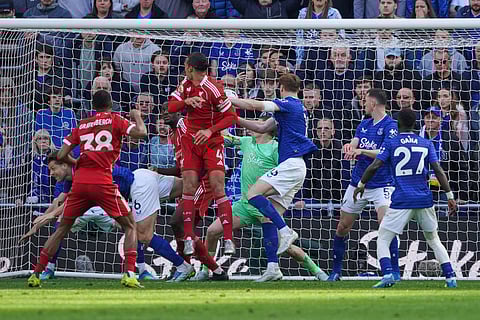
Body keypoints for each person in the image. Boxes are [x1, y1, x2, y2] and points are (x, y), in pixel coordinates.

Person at [27, 90, 147, 288]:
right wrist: (137, 116)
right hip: (103, 182)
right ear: (110, 104)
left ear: (93, 106)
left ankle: (36, 274)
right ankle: (130, 274)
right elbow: (141, 133)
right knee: (130, 225)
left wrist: (77, 163)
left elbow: (61, 153)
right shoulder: (116, 120)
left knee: (61, 229)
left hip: (81, 183)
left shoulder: (82, 125)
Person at [22, 155, 195, 282]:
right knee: (189, 186)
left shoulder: (82, 174)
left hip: (138, 186)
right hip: (142, 179)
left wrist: (51, 215)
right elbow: (61, 200)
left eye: (53, 169)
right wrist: (45, 218)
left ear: (65, 165)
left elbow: (69, 203)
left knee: (143, 235)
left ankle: (182, 267)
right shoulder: (72, 177)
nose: (51, 173)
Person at [206, 119, 329, 282]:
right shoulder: (246, 142)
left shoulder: (277, 149)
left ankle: (317, 271)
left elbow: (288, 176)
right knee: (212, 231)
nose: (252, 127)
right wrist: (218, 119)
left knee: (287, 248)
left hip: (265, 206)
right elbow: (225, 138)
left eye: (257, 124)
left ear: (267, 129)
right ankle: (206, 269)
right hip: (244, 205)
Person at [353, 108, 457, 288]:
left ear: (398, 124)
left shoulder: (392, 143)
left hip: (402, 199)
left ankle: (387, 275)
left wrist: (361, 185)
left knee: (383, 238)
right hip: (424, 199)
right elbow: (438, 170)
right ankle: (450, 278)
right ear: (415, 124)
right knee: (434, 239)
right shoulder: (426, 143)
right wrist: (450, 196)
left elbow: (375, 165)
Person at [230, 73, 318, 256]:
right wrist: (233, 119)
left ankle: (286, 231)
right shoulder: (296, 109)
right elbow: (261, 128)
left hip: (292, 164)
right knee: (268, 217)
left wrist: (231, 99)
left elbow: (255, 105)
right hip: (297, 166)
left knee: (253, 193)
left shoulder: (287, 104)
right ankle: (272, 268)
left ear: (281, 88)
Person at [168, 52, 237, 256]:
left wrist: (209, 131)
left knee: (218, 186)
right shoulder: (185, 85)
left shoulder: (214, 87)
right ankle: (189, 238)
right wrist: (187, 101)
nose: (184, 69)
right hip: (190, 141)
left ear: (190, 67)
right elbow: (172, 106)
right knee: (188, 185)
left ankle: (228, 239)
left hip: (211, 142)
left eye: (185, 66)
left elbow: (231, 117)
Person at [328, 88, 399, 281]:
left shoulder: (391, 126)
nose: (363, 104)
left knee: (385, 224)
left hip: (382, 183)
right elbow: (355, 142)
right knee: (343, 226)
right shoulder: (365, 124)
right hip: (358, 182)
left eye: (365, 101)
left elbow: (386, 152)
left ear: (373, 104)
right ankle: (335, 271)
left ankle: (394, 271)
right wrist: (350, 147)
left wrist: (360, 151)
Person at [154, 110, 229, 281]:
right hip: (191, 183)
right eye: (163, 111)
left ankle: (191, 268)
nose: (165, 114)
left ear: (179, 113)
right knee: (180, 228)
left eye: (169, 111)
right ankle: (209, 271)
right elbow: (180, 168)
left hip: (203, 181)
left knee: (177, 222)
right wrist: (157, 170)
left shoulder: (186, 126)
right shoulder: (173, 135)